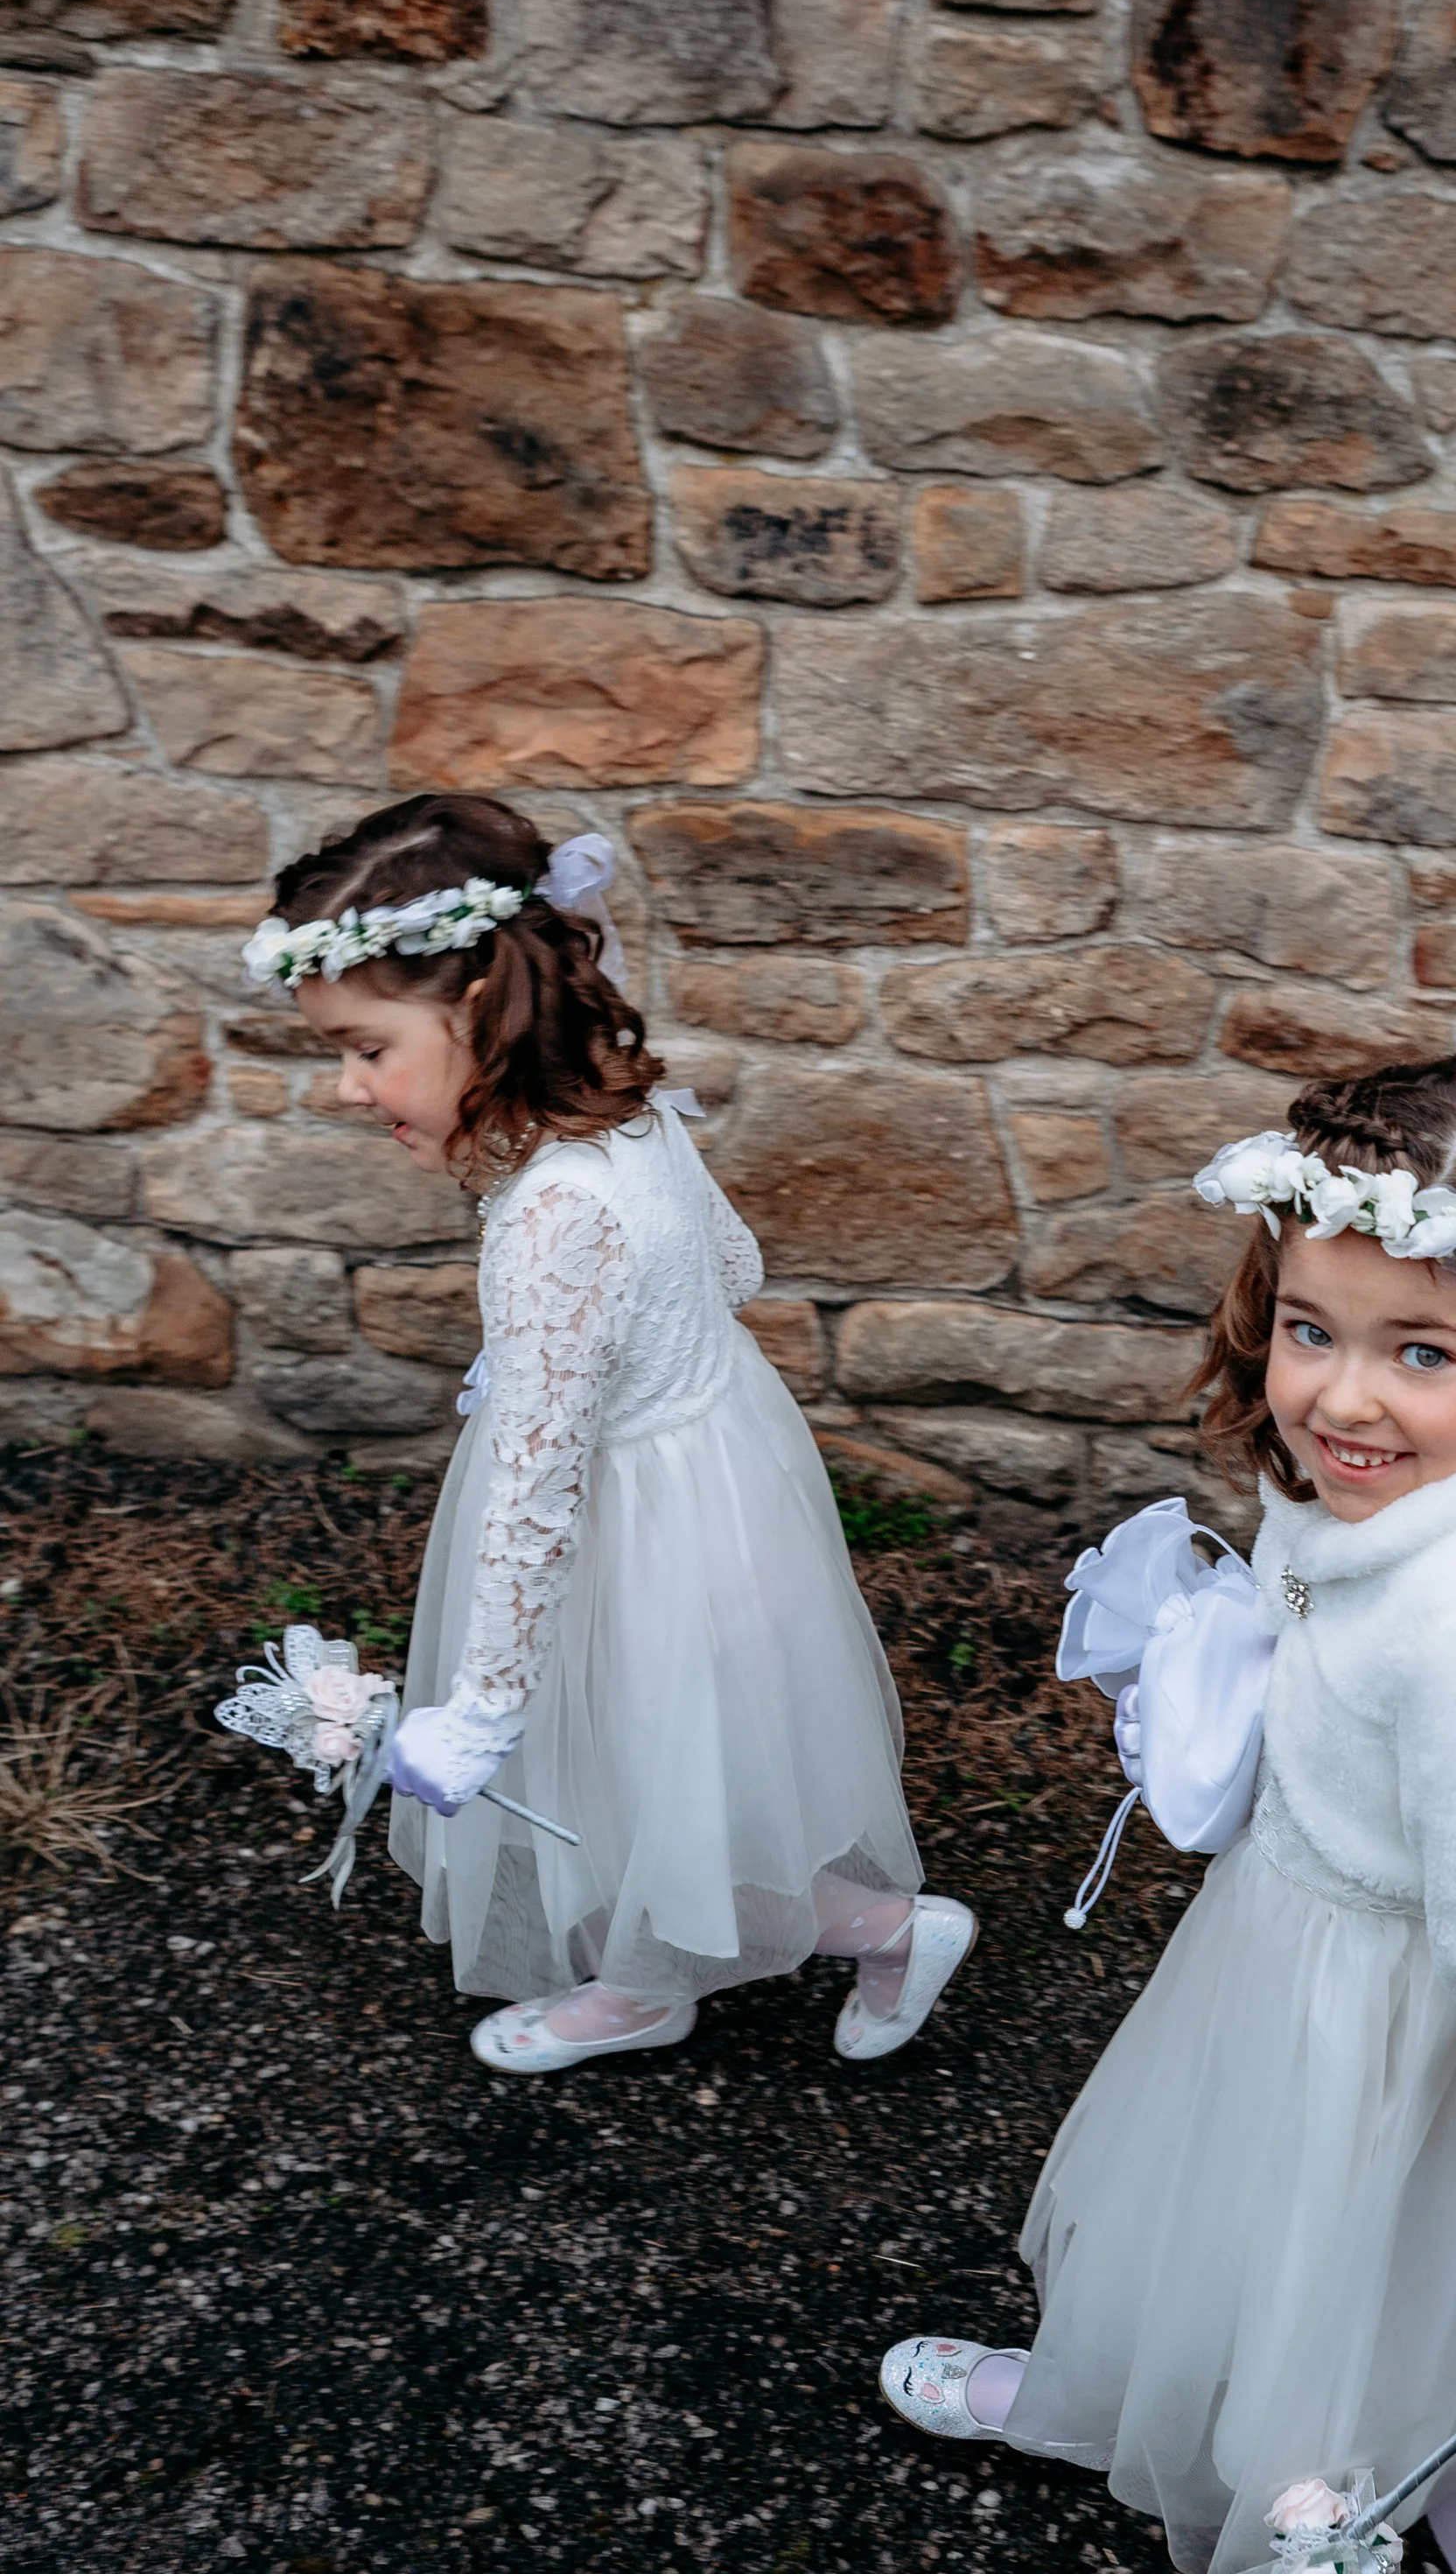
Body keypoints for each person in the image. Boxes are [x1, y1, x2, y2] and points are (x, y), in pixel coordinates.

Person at [879, 1053, 1456, 2574]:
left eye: (1421, 1352)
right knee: (1201, 2210)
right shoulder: (1387, 1507)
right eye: (1309, 1329)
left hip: (1445, 2059)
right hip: (1302, 1959)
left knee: (1445, 2388)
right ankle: (1101, 2397)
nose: (1340, 1398)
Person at [242, 792, 973, 2073]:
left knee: (628, 1774)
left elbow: (535, 1488)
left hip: (630, 1531)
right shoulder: (635, 1117)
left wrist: (480, 1707)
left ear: (475, 1008)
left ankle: (880, 1926)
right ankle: (647, 1976)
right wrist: (622, 1351)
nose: (349, 1088)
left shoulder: (548, 1213)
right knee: (666, 1774)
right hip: (725, 1478)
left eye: (364, 1048)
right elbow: (733, 1266)